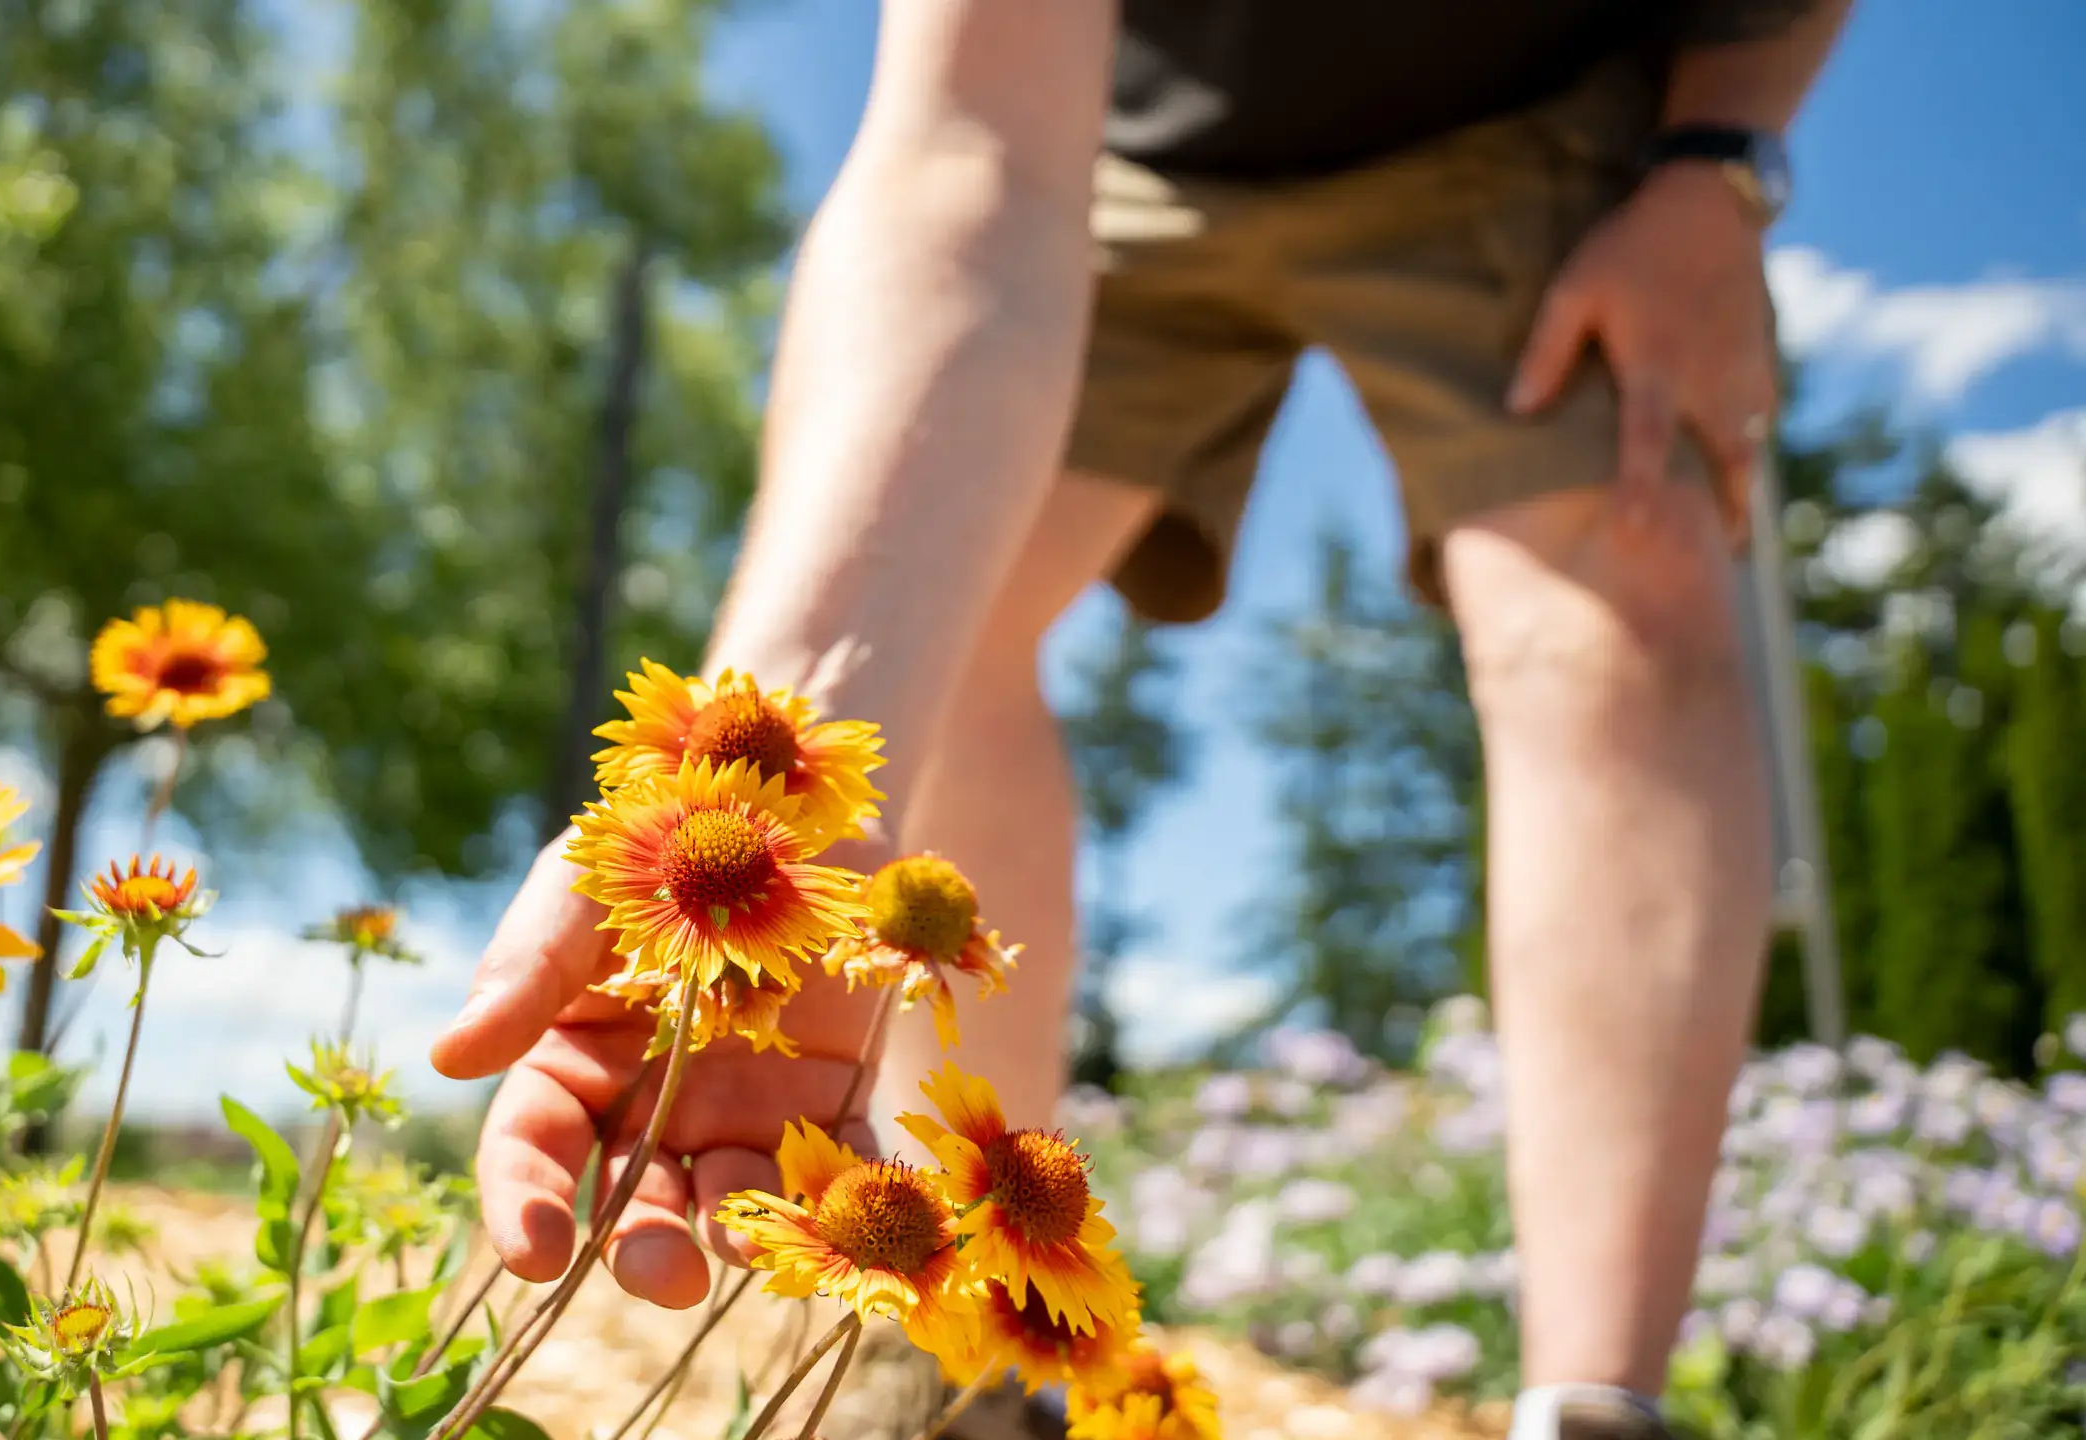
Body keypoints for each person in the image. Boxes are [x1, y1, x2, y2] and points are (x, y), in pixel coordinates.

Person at [432, 1, 1853, 1435]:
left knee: (1621, 592)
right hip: (1105, 129)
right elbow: (965, 152)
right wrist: (762, 778)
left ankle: (1598, 1402)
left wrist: (1716, 166)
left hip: (1533, 112)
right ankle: (968, 1370)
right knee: (959, 599)